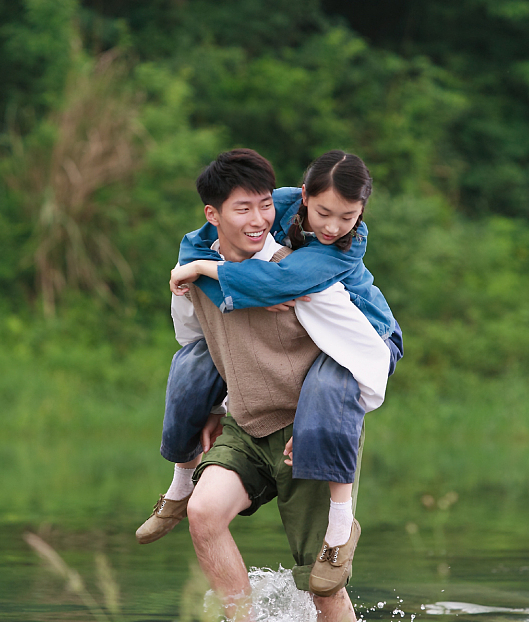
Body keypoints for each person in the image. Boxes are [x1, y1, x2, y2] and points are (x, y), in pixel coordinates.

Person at [138, 151, 402, 596]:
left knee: (327, 380)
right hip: (256, 414)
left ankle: (341, 527)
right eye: (323, 213)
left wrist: (202, 269)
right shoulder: (274, 204)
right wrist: (196, 270)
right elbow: (195, 244)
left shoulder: (341, 249)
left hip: (368, 334)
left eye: (349, 216)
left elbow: (277, 284)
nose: (333, 226)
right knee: (193, 362)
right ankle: (182, 483)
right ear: (302, 196)